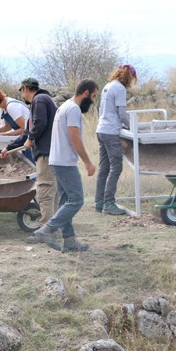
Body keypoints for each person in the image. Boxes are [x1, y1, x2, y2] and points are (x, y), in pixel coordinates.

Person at [34, 79, 99, 253]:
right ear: (85, 93)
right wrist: (87, 162)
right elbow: (74, 138)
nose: (93, 101)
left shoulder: (65, 106)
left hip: (55, 160)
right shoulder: (73, 110)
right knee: (77, 200)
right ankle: (47, 229)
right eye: (93, 96)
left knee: (66, 201)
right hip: (64, 162)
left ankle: (69, 241)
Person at [0, 78, 58, 237]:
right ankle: (54, 225)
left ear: (25, 89)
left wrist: (31, 139)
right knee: (53, 190)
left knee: (45, 190)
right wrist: (10, 147)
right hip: (52, 152)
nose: (21, 94)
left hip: (46, 153)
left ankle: (45, 230)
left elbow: (39, 124)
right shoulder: (42, 101)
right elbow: (27, 131)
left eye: (21, 91)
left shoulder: (39, 100)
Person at [95, 64, 137, 215]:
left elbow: (102, 110)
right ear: (129, 76)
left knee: (104, 168)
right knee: (116, 166)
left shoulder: (108, 86)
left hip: (101, 129)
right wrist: (133, 127)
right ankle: (109, 203)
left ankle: (99, 202)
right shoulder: (119, 88)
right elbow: (122, 113)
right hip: (110, 131)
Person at [0, 85, 33, 162]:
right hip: (25, 137)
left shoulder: (11, 107)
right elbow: (7, 127)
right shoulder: (3, 107)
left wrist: (7, 134)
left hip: (31, 137)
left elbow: (24, 129)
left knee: (33, 162)